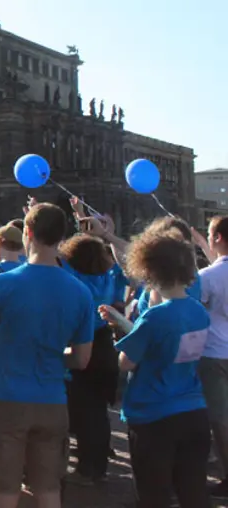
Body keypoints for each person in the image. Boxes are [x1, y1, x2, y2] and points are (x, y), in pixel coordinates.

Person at [0, 203, 94, 508]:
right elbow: (81, 360)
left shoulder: (4, 282)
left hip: (7, 398)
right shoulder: (80, 292)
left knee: (7, 488)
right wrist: (50, 354)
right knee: (49, 488)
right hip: (52, 398)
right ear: (61, 236)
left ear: (28, 233)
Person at [108, 229, 211, 507]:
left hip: (154, 415)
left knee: (154, 495)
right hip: (193, 410)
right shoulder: (198, 310)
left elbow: (127, 362)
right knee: (194, 492)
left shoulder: (154, 317)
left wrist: (122, 329)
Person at [58, 232, 122, 485]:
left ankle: (89, 468)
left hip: (82, 342)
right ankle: (99, 462)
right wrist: (105, 231)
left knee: (84, 411)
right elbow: (119, 263)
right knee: (98, 410)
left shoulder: (73, 279)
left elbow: (56, 258)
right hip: (105, 344)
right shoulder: (108, 277)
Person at [200, 215, 228, 499]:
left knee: (220, 419)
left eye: (208, 235)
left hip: (215, 353)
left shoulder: (207, 277)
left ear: (218, 238)